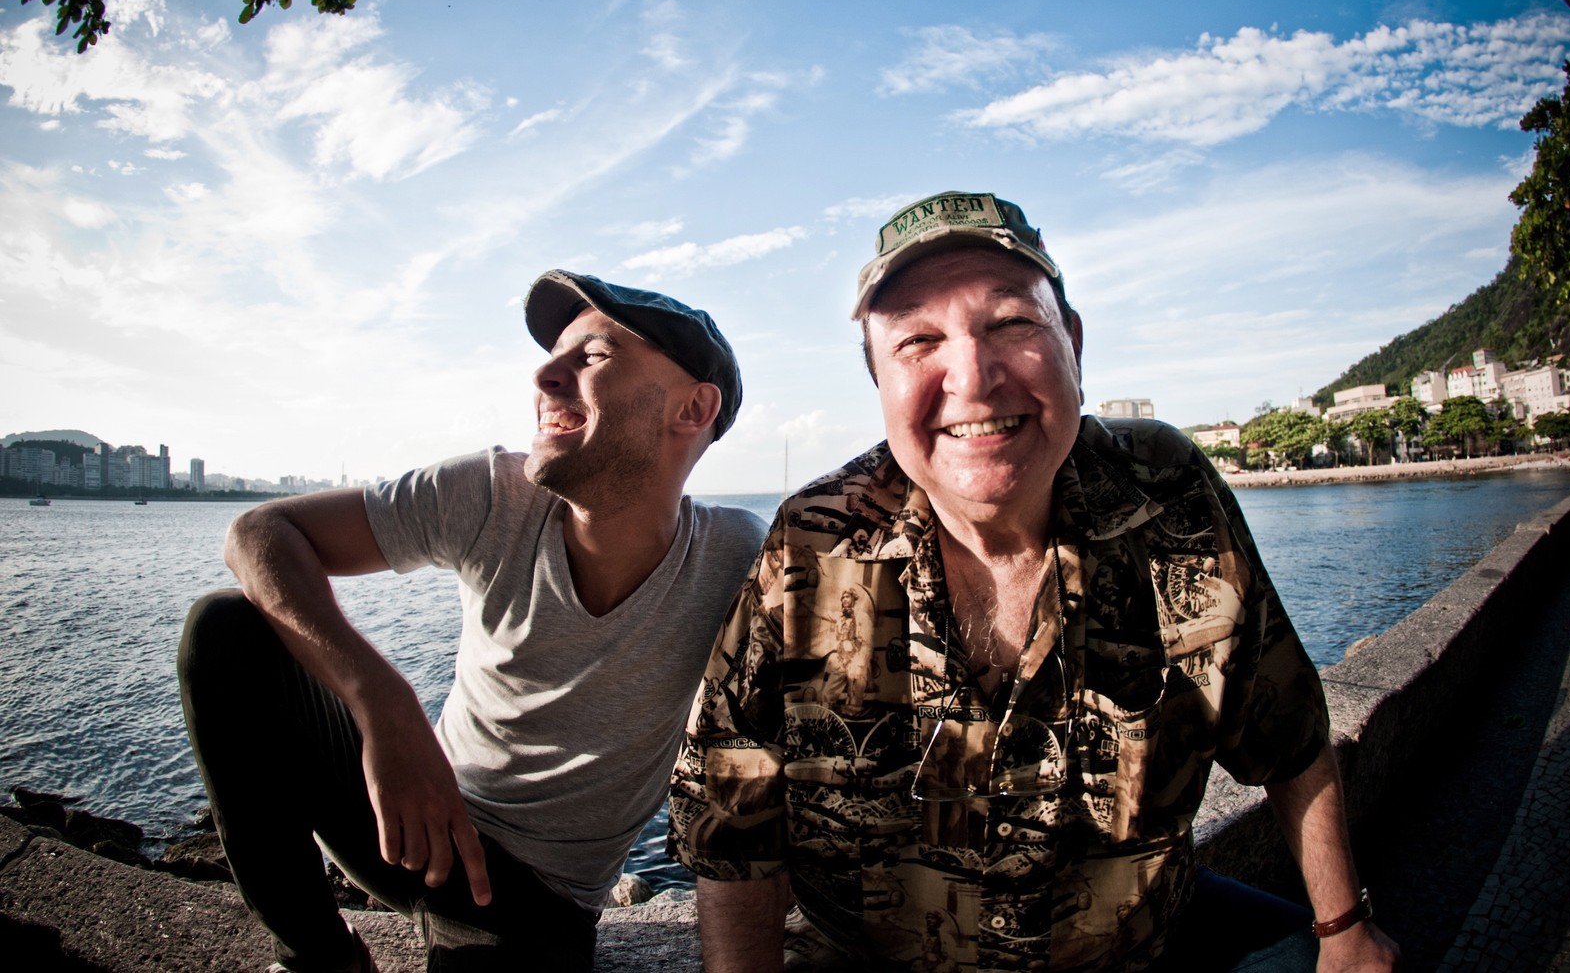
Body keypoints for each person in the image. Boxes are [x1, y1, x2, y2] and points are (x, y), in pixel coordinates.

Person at [668, 192, 1402, 972]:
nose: (974, 379)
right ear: (877, 380)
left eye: (1012, 323)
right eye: (919, 340)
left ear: (1073, 344)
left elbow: (1285, 733)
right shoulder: (812, 542)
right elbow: (733, 826)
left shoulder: (1166, 493)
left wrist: (1344, 926)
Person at [179, 271, 767, 973]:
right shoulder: (493, 494)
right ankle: (321, 958)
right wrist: (382, 702)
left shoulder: (737, 557)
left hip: (537, 897)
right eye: (555, 354)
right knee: (224, 630)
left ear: (694, 407)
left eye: (594, 356)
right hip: (412, 817)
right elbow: (258, 531)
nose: (546, 373)